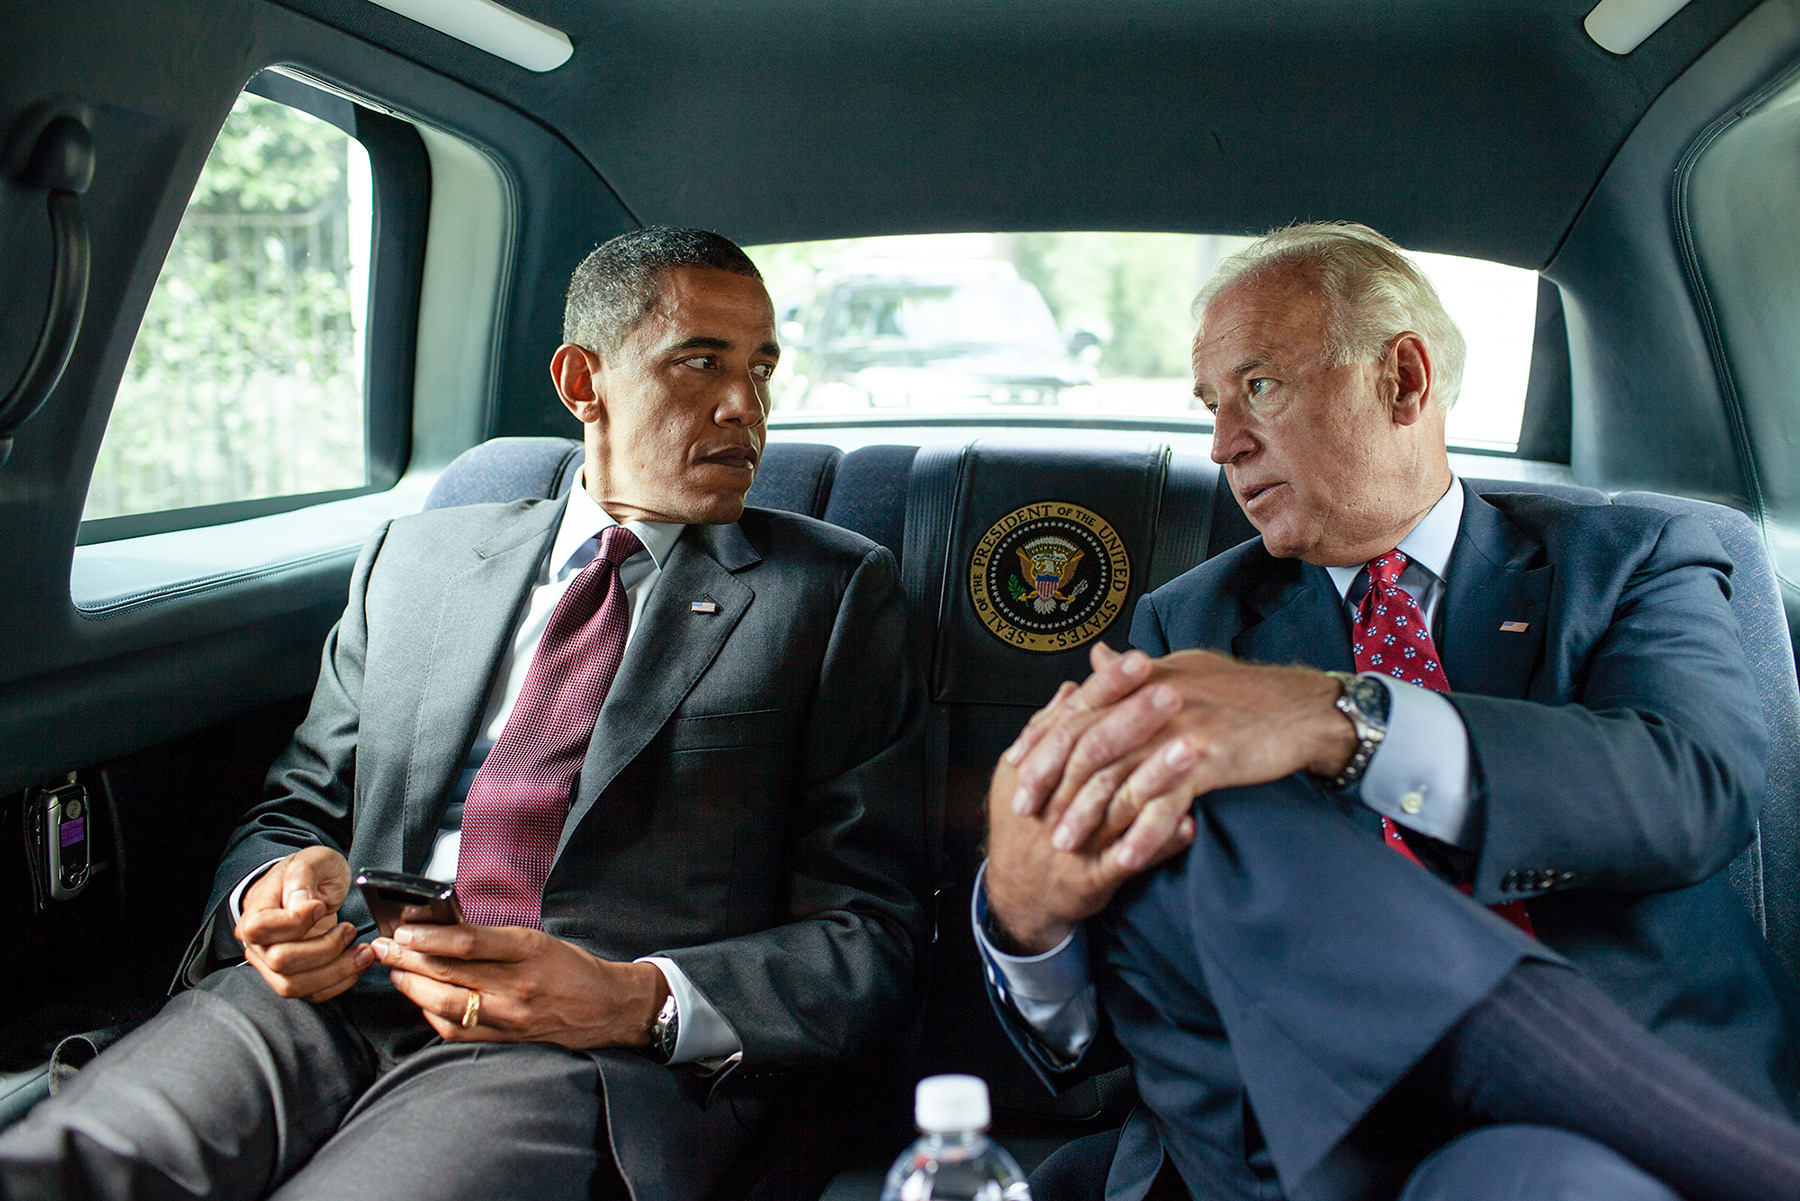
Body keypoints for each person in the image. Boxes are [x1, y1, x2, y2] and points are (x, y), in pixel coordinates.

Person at [0, 228, 926, 1201]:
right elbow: (297, 807)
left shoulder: (827, 595)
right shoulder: (415, 559)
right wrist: (270, 893)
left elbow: (872, 936)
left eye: (763, 368)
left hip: (565, 1044)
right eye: (703, 361)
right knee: (55, 1173)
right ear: (583, 382)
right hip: (319, 992)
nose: (748, 405)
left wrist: (631, 998)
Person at [976, 223, 1800, 1201]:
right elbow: (1146, 975)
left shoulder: (1635, 559)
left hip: (1604, 1126)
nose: (1224, 442)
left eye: (1260, 386)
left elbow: (1692, 793)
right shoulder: (1189, 626)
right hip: (1289, 1140)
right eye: (1211, 405)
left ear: (1404, 379)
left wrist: (1340, 719)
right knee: (1199, 790)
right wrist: (1026, 920)